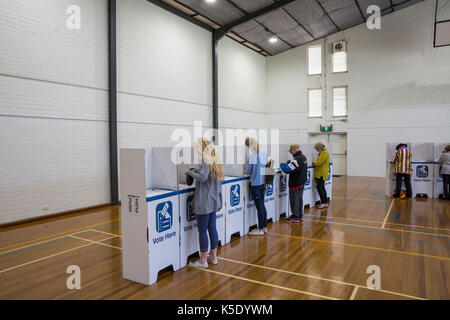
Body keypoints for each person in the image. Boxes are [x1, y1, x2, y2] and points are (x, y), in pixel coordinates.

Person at [185, 138, 224, 268]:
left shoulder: (206, 161)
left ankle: (203, 260)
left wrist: (189, 172)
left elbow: (202, 178)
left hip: (204, 201)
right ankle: (213, 257)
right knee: (212, 227)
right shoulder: (215, 161)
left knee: (202, 230)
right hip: (213, 200)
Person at [245, 137, 268, 235]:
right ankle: (265, 226)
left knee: (259, 207)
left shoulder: (253, 155)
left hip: (255, 184)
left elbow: (248, 171)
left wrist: (247, 168)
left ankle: (260, 229)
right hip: (262, 183)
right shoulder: (263, 154)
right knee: (262, 205)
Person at [282, 144, 308, 223]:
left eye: (290, 151)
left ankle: (295, 217)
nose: (290, 153)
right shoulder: (303, 157)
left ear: (294, 150)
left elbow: (287, 169)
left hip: (295, 182)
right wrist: (290, 162)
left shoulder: (296, 159)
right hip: (301, 181)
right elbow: (298, 166)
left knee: (294, 200)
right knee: (299, 199)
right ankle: (299, 216)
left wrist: (282, 164)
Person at [312, 142, 330, 209]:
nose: (316, 150)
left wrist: (314, 163)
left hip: (321, 173)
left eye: (316, 149)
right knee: (322, 188)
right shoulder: (325, 152)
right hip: (322, 173)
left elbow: (319, 163)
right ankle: (325, 202)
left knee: (320, 188)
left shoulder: (324, 153)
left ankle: (323, 203)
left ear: (318, 148)